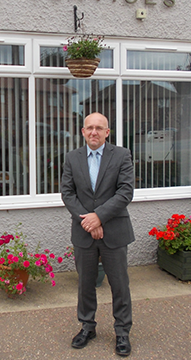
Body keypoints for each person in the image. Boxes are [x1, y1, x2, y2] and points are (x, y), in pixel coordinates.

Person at [61, 112, 134, 357]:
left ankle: (122, 331)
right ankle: (87, 326)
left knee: (120, 284)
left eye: (99, 128)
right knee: (85, 283)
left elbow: (125, 192)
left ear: (107, 132)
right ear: (83, 131)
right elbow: (67, 193)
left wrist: (99, 217)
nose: (94, 132)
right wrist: (89, 221)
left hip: (114, 231)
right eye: (89, 128)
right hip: (84, 231)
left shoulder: (122, 155)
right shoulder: (72, 158)